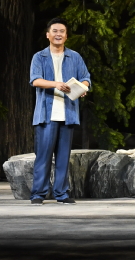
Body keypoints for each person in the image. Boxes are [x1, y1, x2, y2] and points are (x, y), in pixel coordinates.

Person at [29, 18, 90, 205]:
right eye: (54, 31)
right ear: (48, 35)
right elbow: (35, 80)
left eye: (62, 31)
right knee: (43, 157)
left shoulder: (75, 57)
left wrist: (82, 88)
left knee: (63, 158)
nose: (58, 34)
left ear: (66, 35)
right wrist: (56, 84)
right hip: (46, 115)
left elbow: (86, 78)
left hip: (68, 114)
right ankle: (38, 193)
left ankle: (61, 193)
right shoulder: (39, 57)